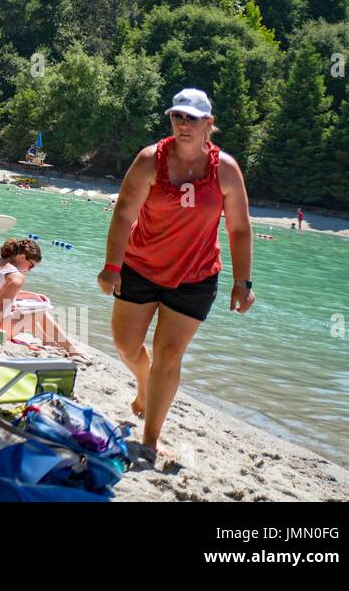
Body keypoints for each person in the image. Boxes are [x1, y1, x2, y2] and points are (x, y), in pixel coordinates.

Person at [98, 87, 255, 457]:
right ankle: (143, 381)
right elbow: (123, 213)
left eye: (192, 118)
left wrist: (243, 281)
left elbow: (239, 228)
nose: (183, 124)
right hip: (140, 266)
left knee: (168, 354)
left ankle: (150, 440)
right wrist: (111, 266)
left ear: (209, 124)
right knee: (126, 345)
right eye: (177, 116)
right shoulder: (150, 160)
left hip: (196, 277)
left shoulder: (226, 169)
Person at [0, 237, 88, 360]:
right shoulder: (16, 277)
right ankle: (73, 350)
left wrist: (31, 295)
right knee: (39, 313)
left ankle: (47, 340)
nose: (29, 270)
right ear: (22, 257)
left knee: (28, 309)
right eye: (31, 265)